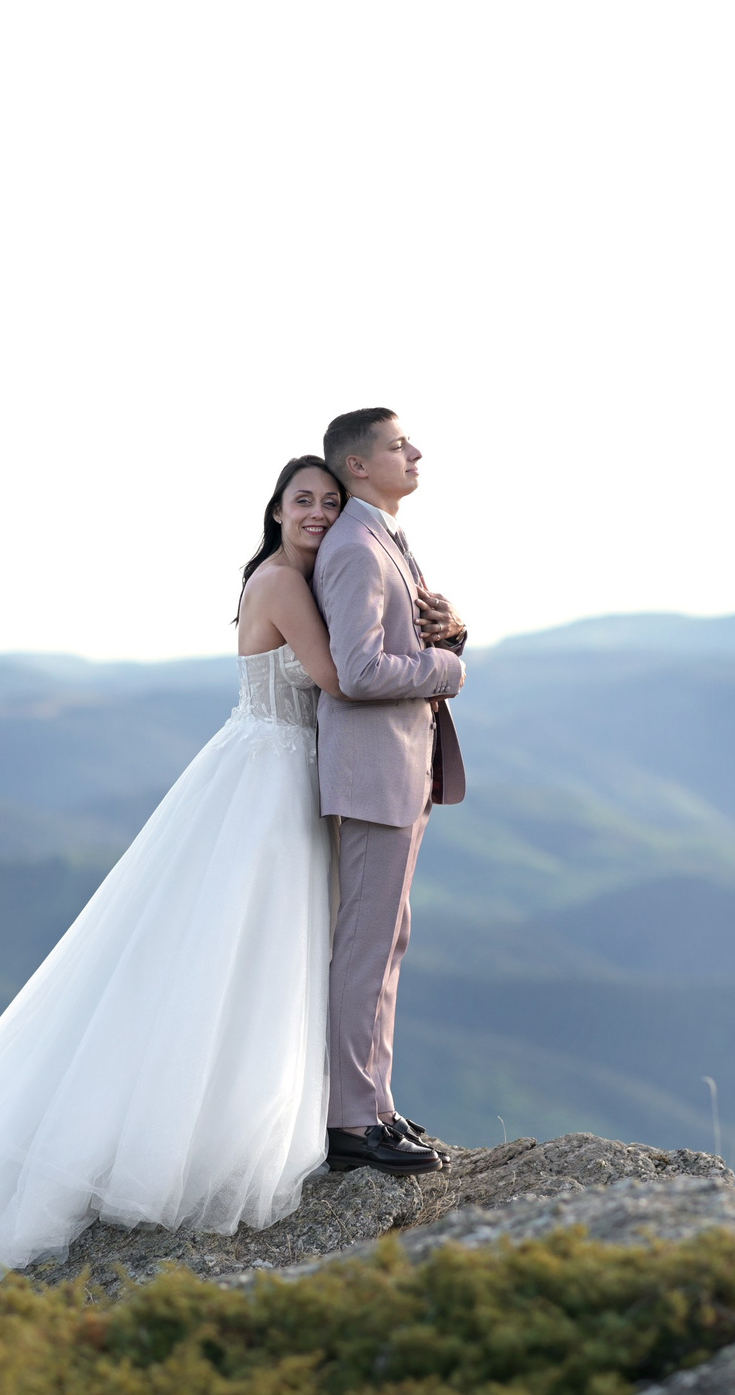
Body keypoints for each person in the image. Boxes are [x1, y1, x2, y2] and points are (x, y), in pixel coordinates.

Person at [0, 455, 403, 1299]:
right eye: (303, 501)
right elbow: (336, 679)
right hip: (269, 782)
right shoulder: (284, 583)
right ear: (276, 511)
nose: (317, 513)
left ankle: (238, 1114)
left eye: (328, 501)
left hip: (273, 771)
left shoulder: (294, 577)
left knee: (260, 951)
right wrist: (429, 649)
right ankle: (212, 1130)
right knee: (252, 949)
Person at [314, 408, 468, 1173]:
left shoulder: (384, 539)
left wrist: (451, 633)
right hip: (373, 775)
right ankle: (350, 1125)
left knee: (387, 942)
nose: (415, 451)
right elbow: (358, 670)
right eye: (398, 443)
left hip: (400, 771)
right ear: (359, 466)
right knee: (365, 950)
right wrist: (449, 671)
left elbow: (403, 643)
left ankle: (375, 1103)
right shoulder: (353, 547)